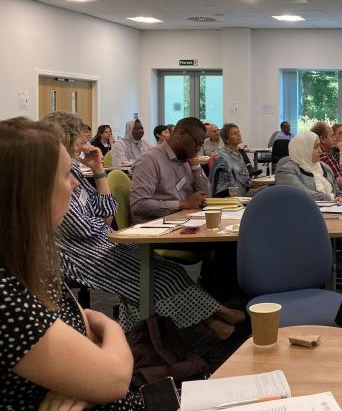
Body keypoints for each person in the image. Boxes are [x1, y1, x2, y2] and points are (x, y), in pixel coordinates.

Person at [42, 112, 242, 340]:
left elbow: (107, 214)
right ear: (65, 140)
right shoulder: (49, 179)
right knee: (156, 279)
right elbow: (84, 229)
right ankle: (215, 318)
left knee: (168, 272)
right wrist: (100, 220)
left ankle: (212, 322)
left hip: (103, 240)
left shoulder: (76, 171)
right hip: (81, 255)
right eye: (80, 138)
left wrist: (98, 170)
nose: (84, 143)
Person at [0, 117, 144, 409]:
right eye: (66, 174)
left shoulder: (32, 259)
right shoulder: (6, 293)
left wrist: (94, 372)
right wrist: (112, 328)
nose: (75, 182)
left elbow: (87, 335)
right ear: (32, 191)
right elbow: (115, 379)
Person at [130, 117, 209, 223]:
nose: (198, 149)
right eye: (197, 143)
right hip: (155, 229)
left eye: (201, 145)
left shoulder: (185, 159)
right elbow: (138, 205)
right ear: (181, 135)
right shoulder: (149, 160)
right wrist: (183, 204)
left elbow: (207, 196)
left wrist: (196, 167)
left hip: (182, 221)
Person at [275, 132, 342, 204]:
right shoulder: (286, 171)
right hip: (304, 213)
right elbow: (302, 194)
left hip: (334, 211)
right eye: (316, 147)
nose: (320, 151)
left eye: (319, 146)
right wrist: (332, 199)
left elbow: (338, 192)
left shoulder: (324, 167)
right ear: (303, 149)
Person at [210, 123, 252, 197]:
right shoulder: (222, 157)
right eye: (234, 133)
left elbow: (245, 177)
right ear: (226, 139)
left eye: (238, 132)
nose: (239, 135)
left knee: (266, 190)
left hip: (243, 190)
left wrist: (250, 183)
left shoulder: (238, 154)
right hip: (231, 196)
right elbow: (225, 186)